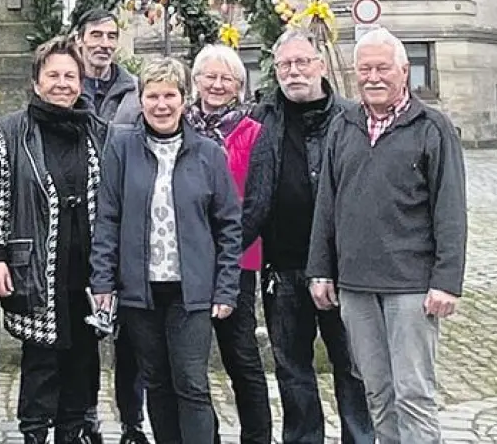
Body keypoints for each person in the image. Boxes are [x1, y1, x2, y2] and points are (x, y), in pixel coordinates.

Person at [309, 28, 468, 444]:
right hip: (357, 284)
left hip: (411, 286)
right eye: (365, 69)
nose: (373, 77)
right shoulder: (343, 126)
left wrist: (446, 281)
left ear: (404, 71)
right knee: (377, 391)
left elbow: (450, 210)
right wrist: (320, 270)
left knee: (413, 394)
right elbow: (328, 202)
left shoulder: (432, 128)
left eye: (382, 68)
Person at [92, 58, 243, 444]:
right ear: (141, 100)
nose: (161, 105)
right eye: (152, 96)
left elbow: (228, 226)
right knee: (155, 380)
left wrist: (226, 287)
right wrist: (103, 281)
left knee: (191, 382)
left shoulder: (209, 154)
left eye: (169, 96)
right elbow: (108, 218)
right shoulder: (121, 148)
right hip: (140, 291)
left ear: (183, 99)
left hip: (190, 292)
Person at [239, 29, 373, 444]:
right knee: (292, 370)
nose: (294, 71)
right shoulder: (261, 119)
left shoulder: (352, 118)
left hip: (343, 268)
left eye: (302, 62)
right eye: (285, 64)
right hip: (283, 267)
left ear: (321, 65)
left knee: (353, 367)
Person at [0, 35, 109, 444]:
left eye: (70, 75)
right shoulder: (14, 130)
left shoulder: (97, 132)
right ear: (36, 82)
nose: (62, 83)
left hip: (87, 268)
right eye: (52, 75)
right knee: (41, 359)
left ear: (81, 81)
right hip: (35, 267)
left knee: (82, 357)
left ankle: (72, 431)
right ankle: (35, 432)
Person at [187, 45, 272, 444]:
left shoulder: (254, 133)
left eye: (227, 79)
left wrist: (228, 248)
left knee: (241, 357)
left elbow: (257, 201)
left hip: (236, 261)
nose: (217, 85)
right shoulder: (179, 126)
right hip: (186, 261)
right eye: (210, 76)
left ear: (239, 86)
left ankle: (257, 436)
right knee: (190, 360)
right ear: (196, 80)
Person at [74, 10, 145, 444]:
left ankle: (132, 421)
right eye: (95, 35)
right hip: (78, 227)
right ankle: (85, 417)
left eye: (111, 36)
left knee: (132, 338)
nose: (103, 43)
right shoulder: (65, 85)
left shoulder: (133, 93)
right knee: (84, 334)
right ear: (80, 40)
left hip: (125, 227)